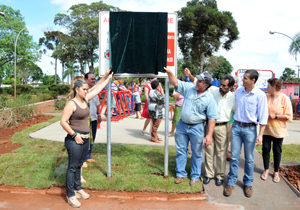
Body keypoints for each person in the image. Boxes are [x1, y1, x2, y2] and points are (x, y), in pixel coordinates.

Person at [60, 69, 112, 208]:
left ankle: (77, 189)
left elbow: (99, 87)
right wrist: (75, 135)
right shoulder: (71, 104)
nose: (87, 91)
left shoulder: (86, 99)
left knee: (79, 165)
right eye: (84, 89)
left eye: (87, 89)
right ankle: (70, 195)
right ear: (77, 89)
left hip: (85, 139)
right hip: (74, 140)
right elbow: (63, 122)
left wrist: (107, 77)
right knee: (72, 167)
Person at [164, 67, 218, 187]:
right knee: (181, 150)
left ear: (207, 85)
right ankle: (180, 173)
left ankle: (194, 176)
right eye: (197, 79)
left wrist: (209, 135)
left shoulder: (209, 99)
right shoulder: (189, 88)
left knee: (197, 153)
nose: (197, 82)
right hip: (182, 125)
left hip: (197, 127)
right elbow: (175, 82)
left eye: (200, 81)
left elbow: (212, 118)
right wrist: (170, 73)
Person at [224, 69, 268, 198]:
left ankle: (248, 183)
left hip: (250, 130)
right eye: (243, 77)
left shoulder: (260, 95)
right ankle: (231, 182)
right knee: (234, 157)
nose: (242, 79)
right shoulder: (238, 92)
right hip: (236, 127)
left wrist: (260, 135)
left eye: (245, 78)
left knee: (249, 159)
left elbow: (263, 117)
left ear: (253, 80)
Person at [260, 78, 293, 183]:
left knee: (277, 151)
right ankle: (266, 170)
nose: (266, 88)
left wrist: (276, 116)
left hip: (279, 130)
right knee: (265, 149)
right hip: (266, 129)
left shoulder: (284, 98)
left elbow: (289, 116)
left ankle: (276, 172)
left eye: (268, 86)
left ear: (274, 87)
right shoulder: (266, 97)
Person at [81, 72, 101, 171]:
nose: (94, 80)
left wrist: (99, 114)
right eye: (92, 79)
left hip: (93, 119)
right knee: (85, 139)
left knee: (92, 139)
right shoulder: (83, 92)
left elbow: (97, 105)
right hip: (85, 121)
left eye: (94, 79)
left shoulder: (95, 93)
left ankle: (88, 156)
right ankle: (83, 159)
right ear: (85, 80)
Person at [227, 76, 238, 161]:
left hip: (233, 115)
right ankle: (226, 150)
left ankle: (227, 148)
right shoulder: (225, 92)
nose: (235, 85)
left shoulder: (236, 92)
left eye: (236, 83)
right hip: (227, 115)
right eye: (233, 83)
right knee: (227, 133)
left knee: (230, 134)